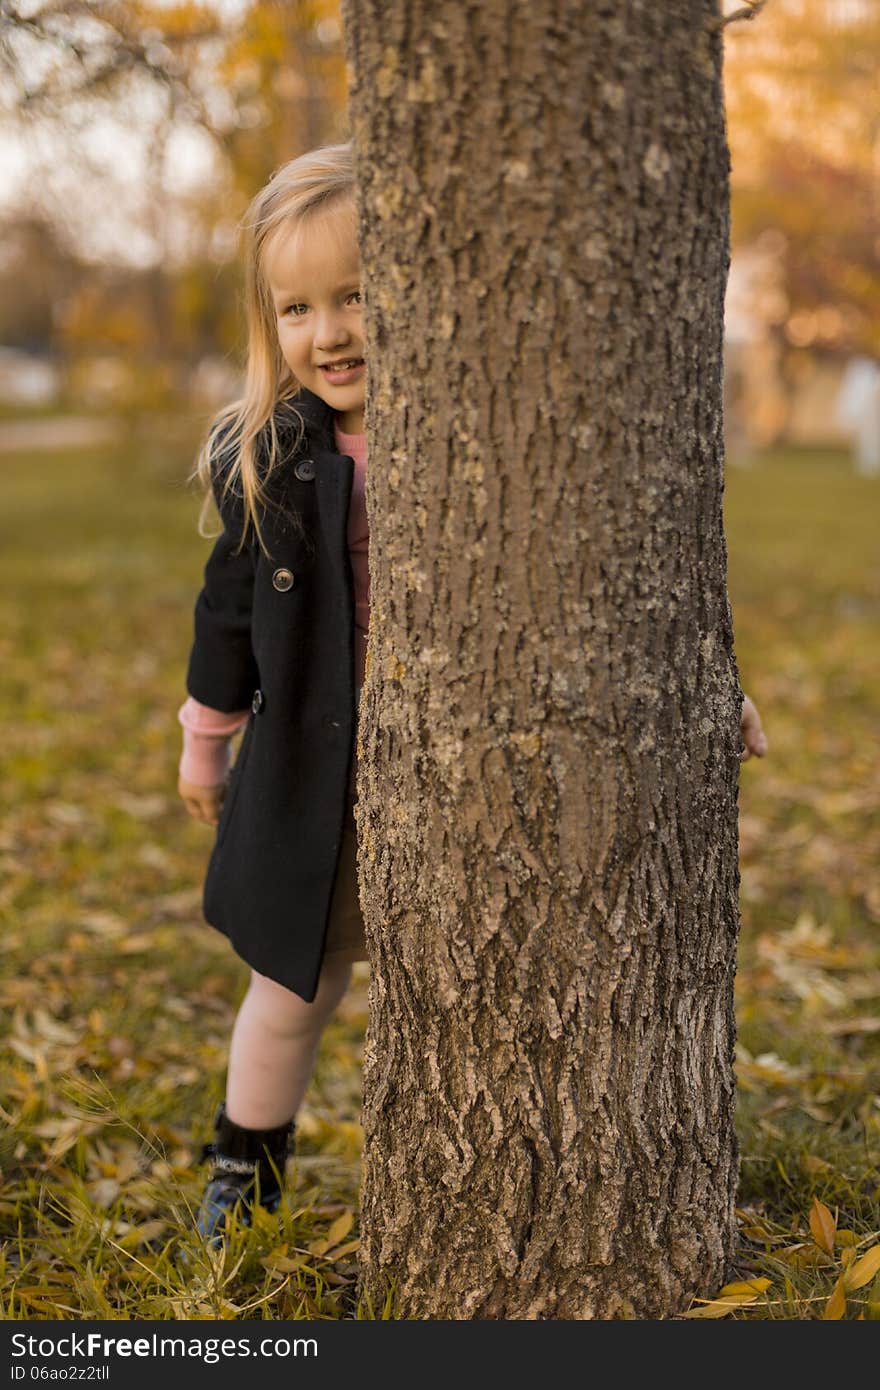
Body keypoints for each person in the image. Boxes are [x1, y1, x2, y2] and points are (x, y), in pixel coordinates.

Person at [177, 142, 769, 1247]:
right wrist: (204, 744)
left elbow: (609, 585)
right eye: (298, 308)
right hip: (317, 773)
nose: (331, 332)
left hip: (476, 765)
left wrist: (700, 688)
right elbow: (226, 619)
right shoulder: (266, 454)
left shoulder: (490, 441)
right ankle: (241, 1166)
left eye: (357, 296)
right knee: (292, 990)